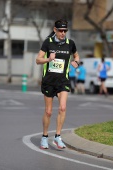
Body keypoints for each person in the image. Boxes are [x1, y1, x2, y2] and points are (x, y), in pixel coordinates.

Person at [36, 19, 80, 149]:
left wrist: (76, 63)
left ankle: (57, 137)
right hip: (49, 81)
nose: (63, 33)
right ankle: (44, 137)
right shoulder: (47, 43)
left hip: (63, 81)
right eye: (60, 30)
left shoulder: (70, 44)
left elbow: (77, 56)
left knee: (62, 108)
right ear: (55, 30)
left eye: (65, 31)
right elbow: (38, 60)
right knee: (48, 111)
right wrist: (48, 59)